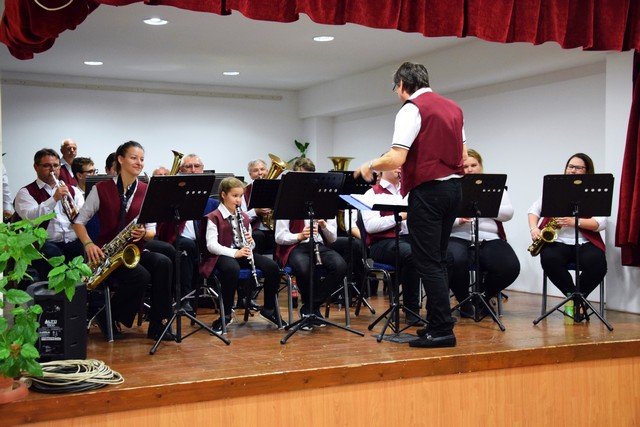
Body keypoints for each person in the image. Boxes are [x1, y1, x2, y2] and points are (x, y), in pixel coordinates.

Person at [355, 62, 466, 348]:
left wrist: (369, 165)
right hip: (455, 189)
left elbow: (396, 158)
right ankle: (437, 323)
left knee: (427, 261)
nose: (397, 93)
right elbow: (464, 155)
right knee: (437, 259)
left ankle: (442, 330)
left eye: (396, 88)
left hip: (429, 191)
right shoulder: (453, 108)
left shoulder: (411, 109)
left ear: (403, 84)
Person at [73, 141, 174, 341]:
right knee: (141, 275)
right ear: (120, 159)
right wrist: (89, 244)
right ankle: (108, 315)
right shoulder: (101, 189)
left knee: (164, 262)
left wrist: (143, 234)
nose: (139, 163)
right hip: (107, 255)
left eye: (142, 159)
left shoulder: (147, 190)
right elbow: (78, 222)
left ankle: (159, 325)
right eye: (133, 158)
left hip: (134, 251)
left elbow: (152, 231)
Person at [200, 177, 284, 333]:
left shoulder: (244, 217)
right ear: (223, 195)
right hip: (221, 255)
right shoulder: (214, 217)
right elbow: (211, 246)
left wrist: (251, 242)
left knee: (272, 267)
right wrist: (235, 253)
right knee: (232, 269)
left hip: (241, 253)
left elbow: (250, 244)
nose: (238, 200)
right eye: (234, 196)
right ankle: (226, 314)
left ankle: (269, 309)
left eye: (240, 196)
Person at [527, 153, 607, 318]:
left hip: (585, 242)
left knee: (598, 264)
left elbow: (600, 223)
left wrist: (574, 222)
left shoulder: (594, 193)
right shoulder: (554, 190)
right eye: (570, 166)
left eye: (578, 168)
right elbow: (533, 210)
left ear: (587, 171)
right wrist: (534, 228)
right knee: (549, 259)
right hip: (558, 242)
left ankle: (575, 301)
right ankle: (575, 299)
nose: (572, 170)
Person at [275, 158, 346, 329]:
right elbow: (279, 236)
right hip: (296, 246)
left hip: (319, 245)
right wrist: (299, 236)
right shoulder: (287, 199)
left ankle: (310, 307)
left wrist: (324, 225)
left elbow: (333, 238)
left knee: (340, 266)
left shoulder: (325, 199)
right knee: (304, 268)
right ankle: (312, 311)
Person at [447, 149, 520, 318]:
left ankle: (483, 298)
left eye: (474, 165)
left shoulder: (493, 186)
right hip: (458, 235)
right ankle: (464, 302)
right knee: (455, 260)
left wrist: (483, 206)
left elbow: (508, 213)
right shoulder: (451, 187)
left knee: (510, 267)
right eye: (465, 166)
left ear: (480, 166)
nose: (470, 169)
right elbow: (441, 217)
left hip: (489, 238)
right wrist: (459, 219)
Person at [156, 154, 219, 313]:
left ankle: (219, 298)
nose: (193, 170)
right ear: (181, 170)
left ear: (202, 169)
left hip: (204, 240)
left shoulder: (211, 202)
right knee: (187, 246)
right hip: (178, 239)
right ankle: (184, 299)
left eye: (196, 166)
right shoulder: (173, 193)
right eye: (188, 166)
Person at [361, 167, 422, 323]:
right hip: (382, 243)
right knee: (411, 254)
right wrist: (400, 217)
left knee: (439, 254)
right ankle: (412, 309)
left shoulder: (410, 191)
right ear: (382, 169)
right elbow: (371, 226)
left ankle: (437, 311)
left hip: (409, 239)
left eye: (402, 165)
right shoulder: (371, 194)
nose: (400, 168)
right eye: (395, 165)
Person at [14, 148, 85, 280]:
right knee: (52, 254)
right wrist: (54, 199)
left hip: (72, 241)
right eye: (47, 166)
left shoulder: (73, 190)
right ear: (36, 167)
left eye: (56, 165)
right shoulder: (25, 192)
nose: (52, 170)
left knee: (86, 251)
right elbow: (30, 218)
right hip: (45, 245)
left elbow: (82, 217)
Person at [243, 158, 276, 255]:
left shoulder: (277, 187)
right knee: (257, 236)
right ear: (250, 175)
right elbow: (242, 217)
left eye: (262, 169)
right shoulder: (244, 191)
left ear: (267, 171)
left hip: (274, 227)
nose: (260, 173)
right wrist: (255, 211)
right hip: (256, 230)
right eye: (255, 170)